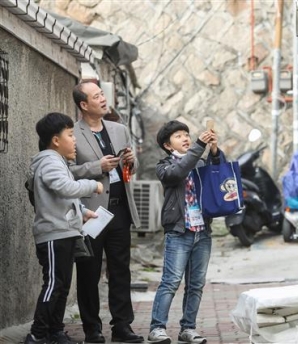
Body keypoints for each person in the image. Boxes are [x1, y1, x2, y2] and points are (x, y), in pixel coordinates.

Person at [69, 81, 143, 343]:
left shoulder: (119, 129)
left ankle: (122, 326)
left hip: (120, 209)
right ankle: (92, 329)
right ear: (83, 104)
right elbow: (67, 171)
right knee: (89, 270)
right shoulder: (73, 133)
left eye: (103, 94)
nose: (103, 99)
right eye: (96, 96)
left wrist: (132, 163)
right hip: (92, 212)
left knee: (121, 270)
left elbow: (130, 169)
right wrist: (95, 166)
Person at [24, 112, 103, 344]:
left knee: (62, 286)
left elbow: (61, 197)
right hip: (53, 235)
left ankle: (55, 332)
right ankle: (38, 334)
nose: (75, 139)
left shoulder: (57, 161)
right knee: (53, 285)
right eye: (70, 135)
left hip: (65, 232)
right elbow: (63, 188)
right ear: (56, 140)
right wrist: (92, 185)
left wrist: (83, 212)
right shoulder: (49, 160)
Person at [147, 120, 220, 344]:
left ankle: (188, 328)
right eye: (179, 136)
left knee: (196, 284)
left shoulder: (199, 162)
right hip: (179, 232)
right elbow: (178, 173)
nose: (186, 138)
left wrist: (215, 152)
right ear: (168, 146)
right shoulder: (164, 166)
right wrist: (199, 145)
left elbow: (217, 174)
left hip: (202, 231)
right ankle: (157, 328)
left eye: (186, 134)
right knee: (170, 281)